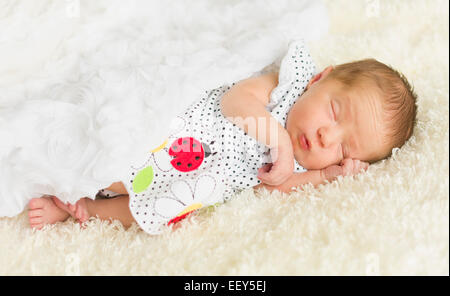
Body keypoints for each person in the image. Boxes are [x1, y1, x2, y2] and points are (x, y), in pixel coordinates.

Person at [27, 40, 417, 234]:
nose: (325, 136)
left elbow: (278, 187)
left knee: (151, 210)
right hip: (178, 133)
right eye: (334, 112)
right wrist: (277, 140)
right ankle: (67, 172)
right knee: (113, 155)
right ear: (319, 79)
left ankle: (83, 209)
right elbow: (236, 101)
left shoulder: (307, 161)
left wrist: (325, 176)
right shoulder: (287, 86)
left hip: (190, 182)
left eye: (343, 148)